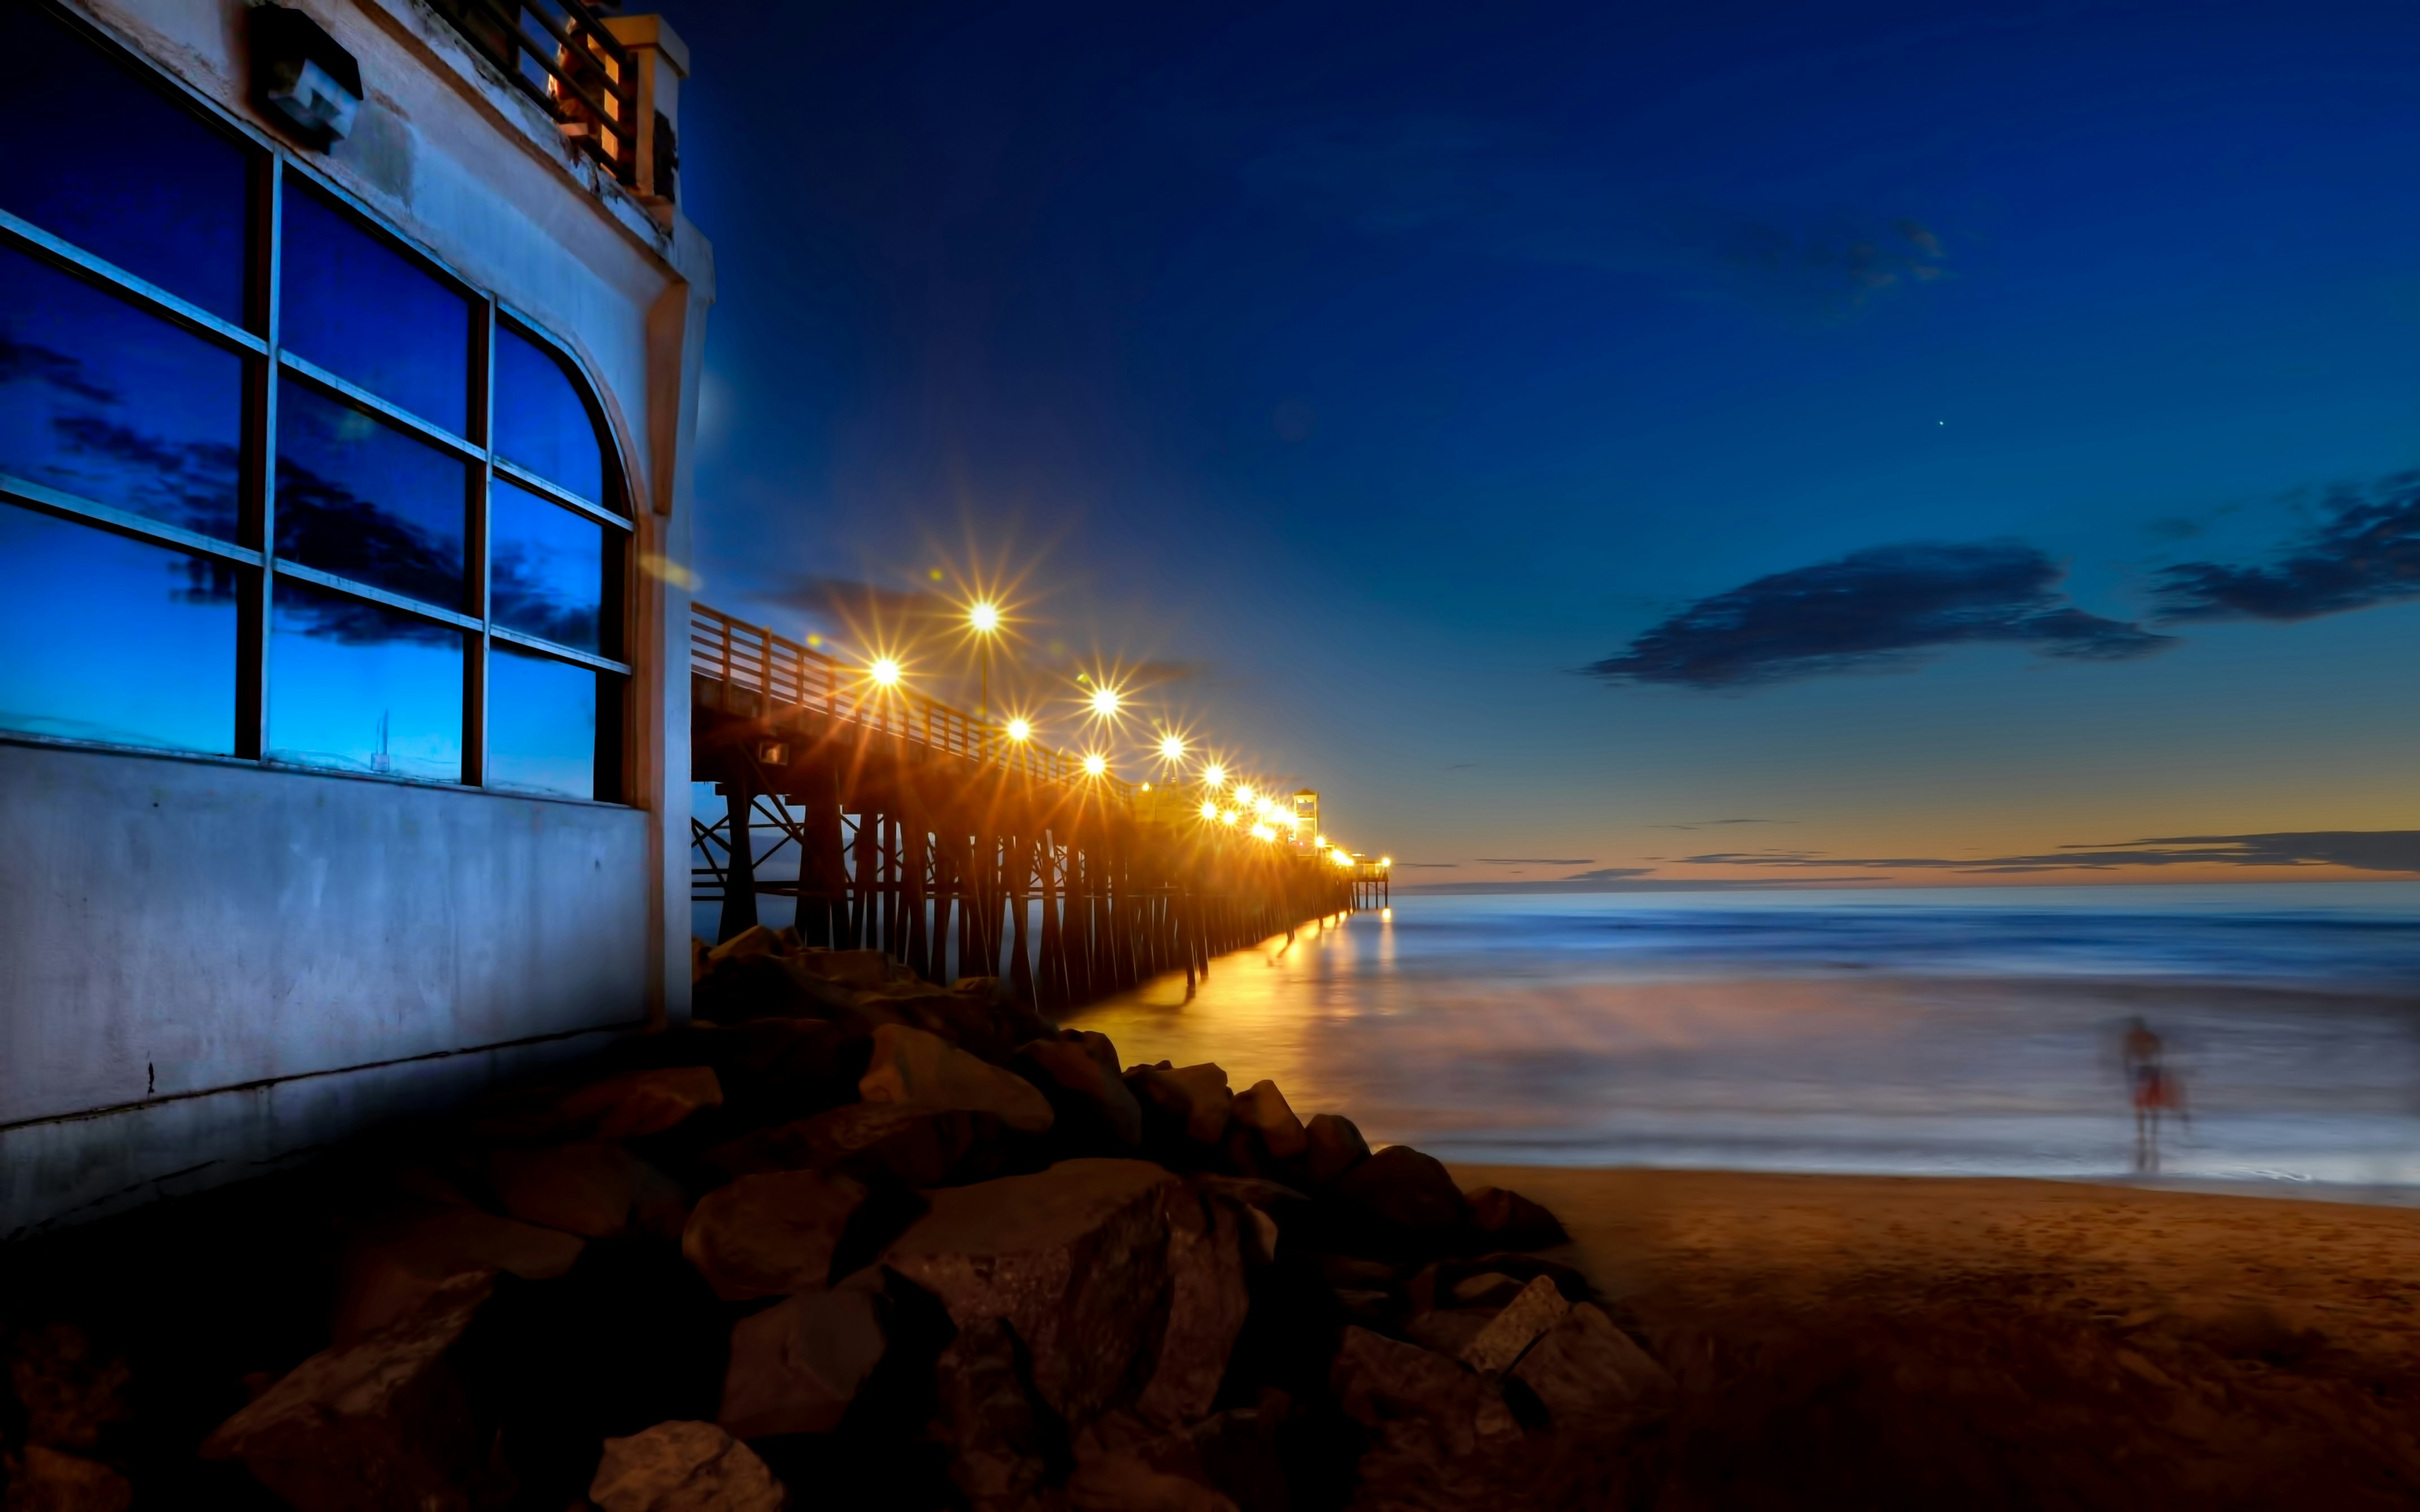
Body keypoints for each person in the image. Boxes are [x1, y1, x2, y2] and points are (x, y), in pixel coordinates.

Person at [2121, 1017, 2183, 1172]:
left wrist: (2128, 1070)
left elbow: (2127, 1057)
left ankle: (2143, 1135)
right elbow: (2159, 1052)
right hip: (2152, 1070)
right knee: (2151, 1104)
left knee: (2141, 1105)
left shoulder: (2133, 1039)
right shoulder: (2150, 1038)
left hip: (2141, 1071)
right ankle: (2151, 1135)